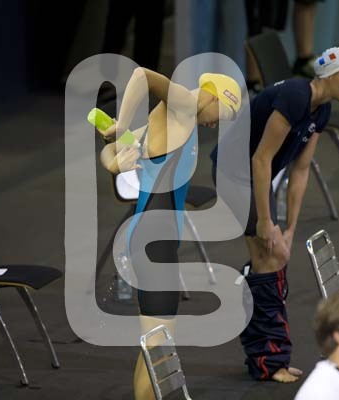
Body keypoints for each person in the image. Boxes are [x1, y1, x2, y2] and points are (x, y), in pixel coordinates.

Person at [210, 47, 339, 383]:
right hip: (233, 174)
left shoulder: (322, 109)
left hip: (255, 178)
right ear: (329, 75)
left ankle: (262, 338)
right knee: (271, 257)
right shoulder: (295, 96)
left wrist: (291, 227)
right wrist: (266, 222)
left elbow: (301, 169)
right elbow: (261, 159)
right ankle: (268, 361)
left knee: (275, 254)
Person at [96, 67, 241, 399]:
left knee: (156, 343)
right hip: (153, 243)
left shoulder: (173, 121)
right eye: (224, 115)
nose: (216, 125)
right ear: (216, 97)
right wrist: (121, 123)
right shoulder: (183, 104)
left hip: (155, 242)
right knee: (160, 346)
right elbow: (142, 75)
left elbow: (112, 150)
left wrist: (112, 161)